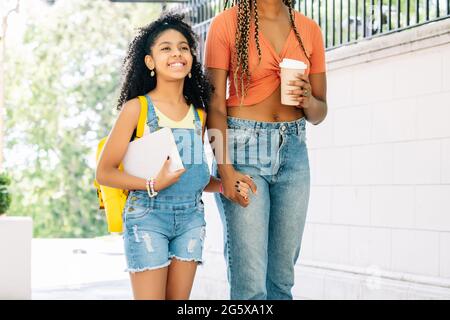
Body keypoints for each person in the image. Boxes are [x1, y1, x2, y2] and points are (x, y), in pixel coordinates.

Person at [96, 13, 251, 300]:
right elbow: (104, 172)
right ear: (150, 62)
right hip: (147, 217)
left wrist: (227, 184)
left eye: (183, 47)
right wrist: (154, 183)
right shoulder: (136, 109)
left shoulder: (199, 115)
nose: (177, 53)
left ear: (191, 58)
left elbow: (191, 176)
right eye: (165, 48)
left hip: (191, 218)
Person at [205, 0, 327, 299]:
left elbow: (320, 112)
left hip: (294, 151)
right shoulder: (226, 24)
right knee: (250, 285)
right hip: (242, 151)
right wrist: (225, 170)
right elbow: (215, 105)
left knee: (282, 281)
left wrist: (308, 99)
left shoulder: (309, 29)